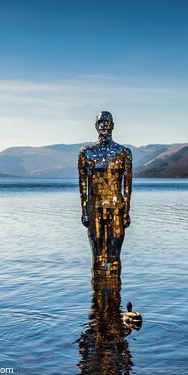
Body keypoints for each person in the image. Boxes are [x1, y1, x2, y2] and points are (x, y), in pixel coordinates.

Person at [77, 111, 132, 273]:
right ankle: (98, 294)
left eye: (107, 122)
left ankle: (114, 294)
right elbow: (83, 185)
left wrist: (126, 212)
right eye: (101, 122)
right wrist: (84, 210)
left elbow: (127, 186)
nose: (104, 125)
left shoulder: (123, 152)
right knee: (97, 255)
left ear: (113, 126)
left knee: (114, 255)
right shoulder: (86, 152)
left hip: (116, 207)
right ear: (95, 126)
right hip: (94, 207)